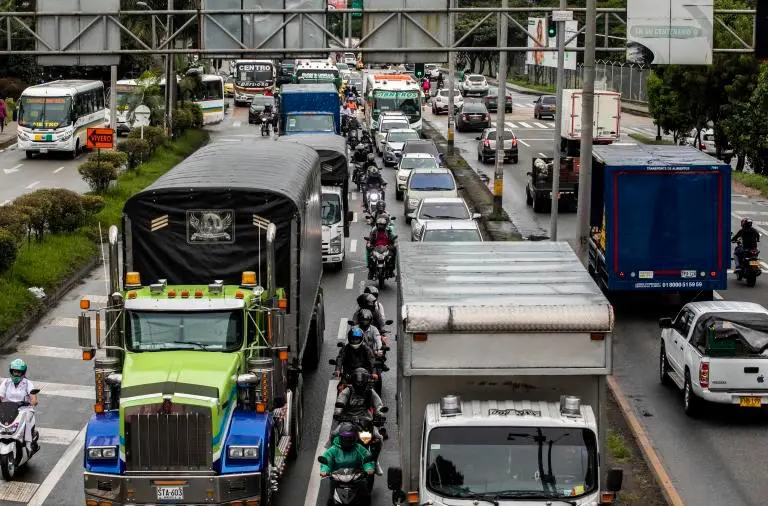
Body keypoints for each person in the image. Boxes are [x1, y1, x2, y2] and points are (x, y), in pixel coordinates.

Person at [333, 368, 385, 474]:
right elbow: (340, 400)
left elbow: (378, 404)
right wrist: (338, 411)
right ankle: (331, 461)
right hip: (348, 421)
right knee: (334, 435)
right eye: (358, 382)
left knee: (378, 438)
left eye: (362, 381)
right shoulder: (348, 391)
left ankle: (375, 461)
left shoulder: (370, 391)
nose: (359, 383)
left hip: (365, 422)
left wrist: (380, 413)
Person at [0, 359, 39, 451]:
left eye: (19, 372)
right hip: (7, 408)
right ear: (11, 372)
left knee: (27, 421)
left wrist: (33, 401)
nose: (16, 374)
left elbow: (33, 396)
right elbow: (1, 395)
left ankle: (29, 444)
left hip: (24, 409)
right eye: (15, 372)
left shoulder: (27, 383)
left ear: (23, 373)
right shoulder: (6, 382)